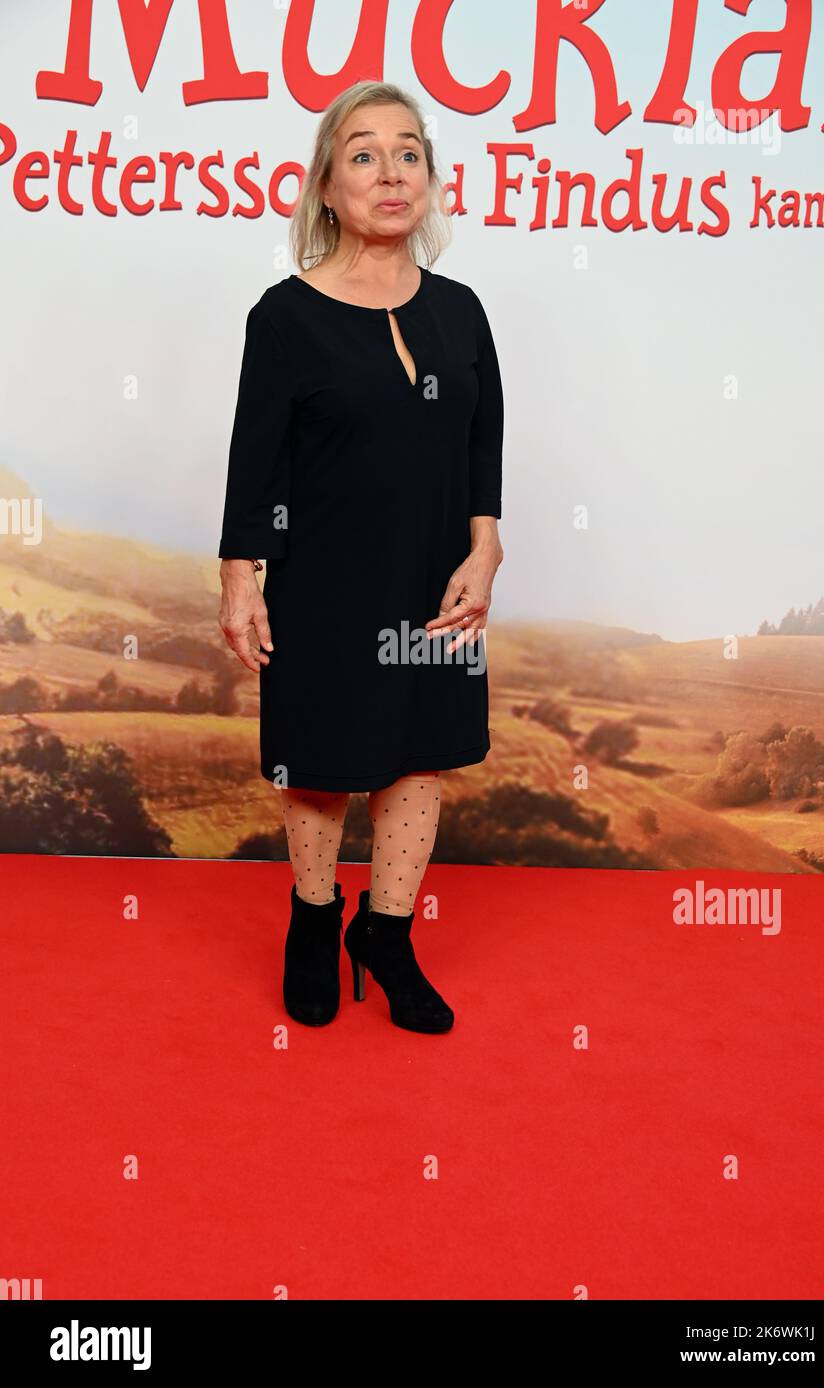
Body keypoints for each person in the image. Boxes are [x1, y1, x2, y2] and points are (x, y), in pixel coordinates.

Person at [217, 80, 504, 1035]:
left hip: (433, 580)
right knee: (323, 760)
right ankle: (312, 918)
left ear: (429, 177)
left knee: (419, 757)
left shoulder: (462, 311)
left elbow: (482, 443)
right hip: (323, 585)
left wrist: (485, 545)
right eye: (364, 153)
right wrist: (239, 580)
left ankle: (386, 933)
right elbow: (253, 461)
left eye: (409, 151)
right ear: (328, 188)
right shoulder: (284, 316)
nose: (391, 171)